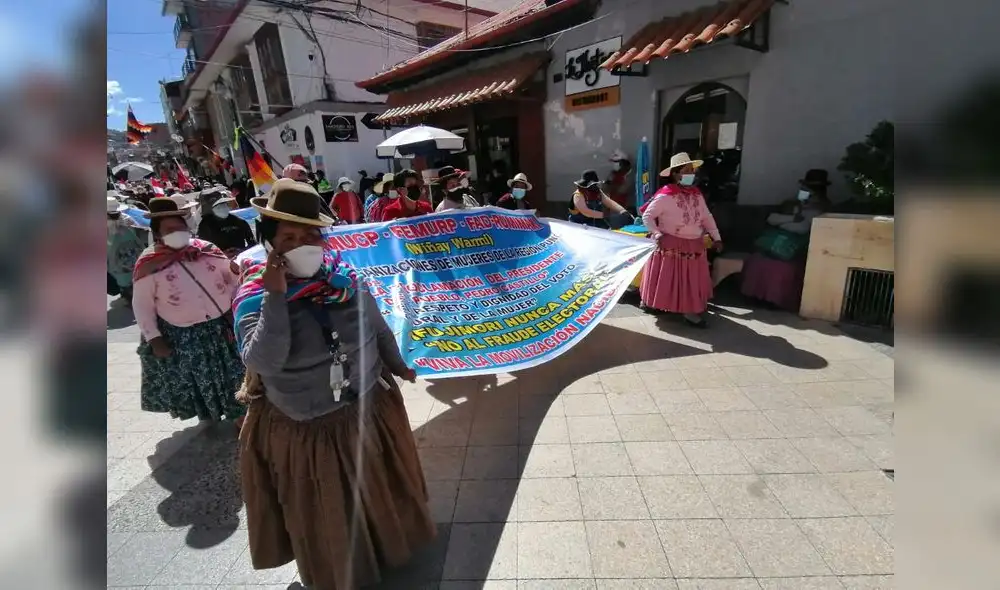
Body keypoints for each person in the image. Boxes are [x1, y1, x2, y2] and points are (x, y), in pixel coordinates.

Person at [234, 179, 435, 589]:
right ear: (270, 245)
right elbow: (262, 361)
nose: (302, 244)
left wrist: (398, 365)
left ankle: (387, 549)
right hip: (309, 427)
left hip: (366, 406)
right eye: (289, 238)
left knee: (378, 489)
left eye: (311, 235)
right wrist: (276, 297)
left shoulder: (346, 280)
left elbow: (377, 327)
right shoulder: (253, 295)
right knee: (329, 508)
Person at [131, 197, 246, 424]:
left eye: (180, 227)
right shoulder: (149, 264)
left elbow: (231, 278)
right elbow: (142, 304)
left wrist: (236, 275)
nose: (178, 232)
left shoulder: (206, 250)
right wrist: (154, 338)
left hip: (221, 326)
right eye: (170, 229)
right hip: (184, 335)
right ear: (157, 234)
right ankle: (213, 414)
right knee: (202, 378)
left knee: (235, 374)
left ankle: (240, 417)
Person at [640, 152, 723, 327]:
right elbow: (647, 216)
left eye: (692, 170)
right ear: (676, 174)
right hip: (671, 243)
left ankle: (689, 310)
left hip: (694, 244)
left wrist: (716, 237)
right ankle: (663, 305)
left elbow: (706, 217)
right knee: (669, 279)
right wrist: (657, 233)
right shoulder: (665, 195)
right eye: (686, 171)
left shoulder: (696, 194)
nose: (691, 174)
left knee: (689, 280)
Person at [739, 169, 831, 311]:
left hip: (800, 248)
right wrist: (792, 218)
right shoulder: (793, 203)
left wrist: (786, 223)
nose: (807, 191)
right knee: (757, 260)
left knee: (781, 268)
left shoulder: (822, 209)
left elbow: (802, 228)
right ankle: (756, 297)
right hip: (779, 241)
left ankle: (774, 300)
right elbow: (772, 218)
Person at [106, 193, 146, 304]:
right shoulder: (125, 219)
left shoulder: (125, 219)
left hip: (121, 255)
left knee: (124, 275)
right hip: (127, 254)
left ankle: (131, 295)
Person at [197, 191, 256, 257]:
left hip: (241, 257)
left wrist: (242, 251)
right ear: (211, 209)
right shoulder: (204, 225)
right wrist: (222, 254)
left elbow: (253, 244)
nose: (223, 208)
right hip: (218, 259)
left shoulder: (239, 221)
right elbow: (202, 250)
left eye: (224, 204)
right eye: (218, 207)